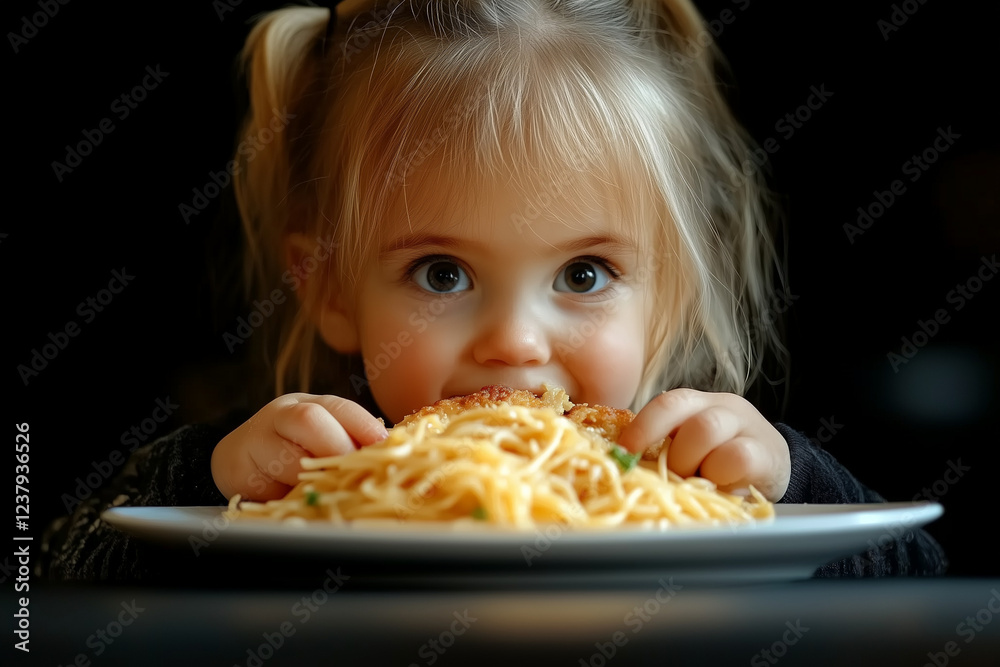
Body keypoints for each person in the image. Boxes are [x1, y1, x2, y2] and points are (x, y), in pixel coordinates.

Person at [39, 0, 946, 580]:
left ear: (665, 294)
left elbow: (926, 577)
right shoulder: (292, 481)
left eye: (584, 275)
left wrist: (792, 481)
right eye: (443, 274)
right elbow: (41, 586)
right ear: (331, 290)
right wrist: (207, 482)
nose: (515, 340)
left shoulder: (693, 483)